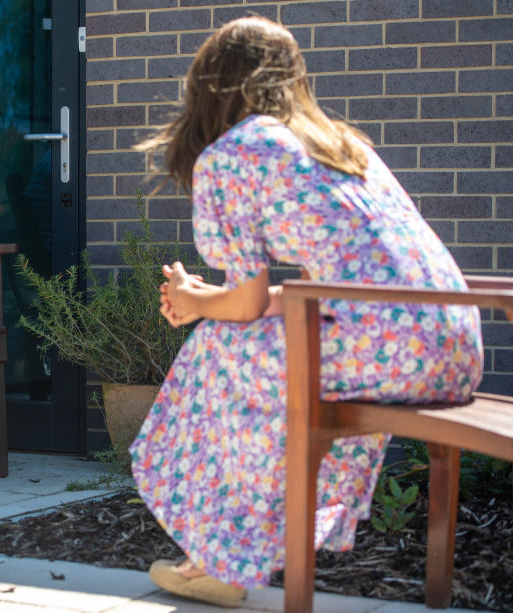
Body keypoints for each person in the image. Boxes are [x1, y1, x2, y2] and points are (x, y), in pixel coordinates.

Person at [129, 16, 483, 608]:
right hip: (451, 345)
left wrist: (198, 303)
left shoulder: (234, 153)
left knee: (218, 351)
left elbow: (244, 304)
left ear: (210, 84)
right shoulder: (343, 144)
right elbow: (321, 294)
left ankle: (222, 557)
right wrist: (205, 299)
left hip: (382, 342)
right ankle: (230, 552)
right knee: (252, 341)